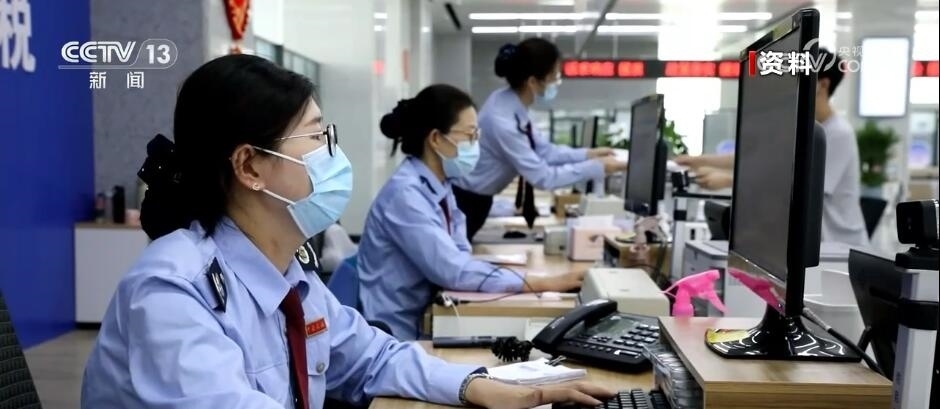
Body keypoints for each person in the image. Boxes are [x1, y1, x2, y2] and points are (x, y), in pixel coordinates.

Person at [80, 55, 613, 409]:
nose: (333, 154)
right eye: (317, 137)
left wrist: (477, 385)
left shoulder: (289, 272)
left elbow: (372, 357)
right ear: (249, 166)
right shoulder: (173, 293)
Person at [358, 84, 586, 341]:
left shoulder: (439, 184)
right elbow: (453, 271)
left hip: (423, 317)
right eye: (470, 135)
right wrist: (544, 282)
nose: (475, 144)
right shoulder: (405, 195)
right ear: (436, 139)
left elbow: (459, 252)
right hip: (394, 333)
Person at [676, 48, 868, 246]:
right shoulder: (802, 128)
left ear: (823, 85)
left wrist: (728, 179)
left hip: (839, 244)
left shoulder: (838, 134)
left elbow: (799, 185)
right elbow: (756, 159)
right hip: (813, 241)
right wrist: (697, 161)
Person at [453, 38, 627, 241]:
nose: (556, 82)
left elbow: (544, 151)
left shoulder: (510, 105)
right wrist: (597, 167)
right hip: (466, 201)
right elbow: (543, 177)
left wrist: (588, 154)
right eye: (554, 76)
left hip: (476, 198)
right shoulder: (502, 121)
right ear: (533, 82)